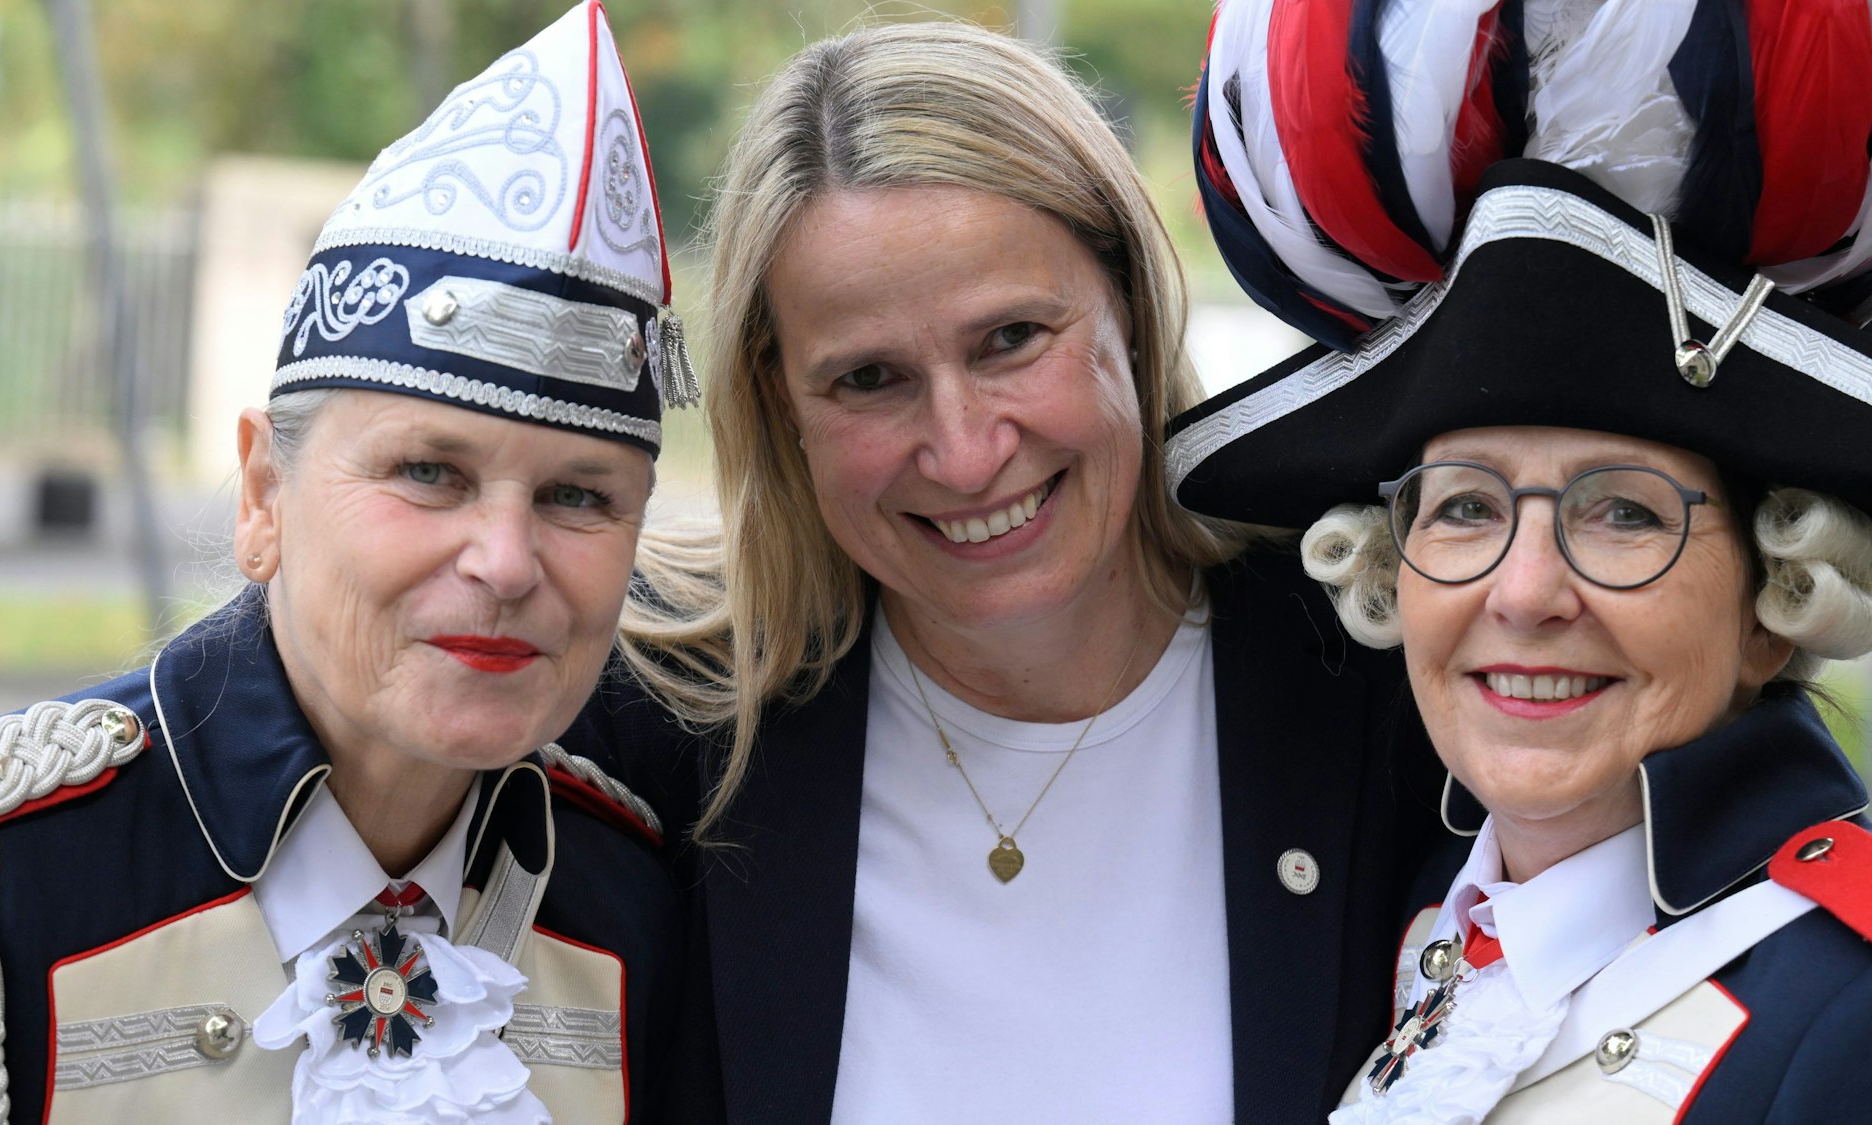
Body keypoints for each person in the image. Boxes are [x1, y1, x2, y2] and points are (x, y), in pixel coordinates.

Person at [565, 20, 1443, 1122]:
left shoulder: (1387, 668)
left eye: (1010, 339)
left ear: (1126, 300)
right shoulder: (655, 717)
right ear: (780, 404)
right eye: (869, 378)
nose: (966, 450)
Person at [1171, 1, 1872, 1120]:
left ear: (1775, 595)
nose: (1525, 594)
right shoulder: (1417, 934)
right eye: (1462, 508)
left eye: (1624, 517)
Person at [0, 3, 689, 1120]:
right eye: (428, 473)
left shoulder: (640, 906)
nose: (505, 562)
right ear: (264, 496)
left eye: (577, 496)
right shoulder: (13, 882)